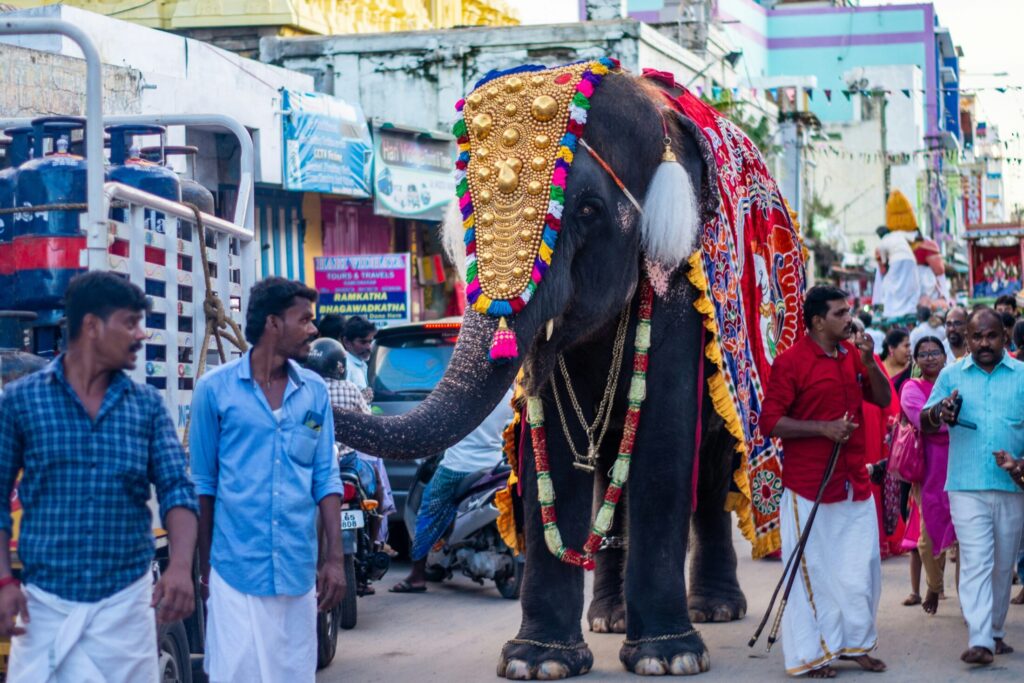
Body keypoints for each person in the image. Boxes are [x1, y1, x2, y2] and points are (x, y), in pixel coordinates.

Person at [0, 272, 199, 680]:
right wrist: (4, 580)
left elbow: (177, 489)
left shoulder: (146, 407)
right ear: (91, 326)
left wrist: (180, 566)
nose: (140, 335)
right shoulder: (22, 401)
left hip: (126, 611)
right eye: (129, 323)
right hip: (44, 612)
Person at [190, 277, 346, 682]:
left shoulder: (314, 392)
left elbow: (326, 479)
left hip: (296, 570)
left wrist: (333, 560)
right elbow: (203, 485)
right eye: (305, 319)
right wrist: (205, 569)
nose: (314, 329)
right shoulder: (214, 391)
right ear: (274, 323)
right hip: (234, 571)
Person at [761, 285, 892, 678]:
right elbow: (770, 422)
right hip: (810, 487)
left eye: (848, 311)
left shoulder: (854, 354)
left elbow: (883, 399)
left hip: (854, 481)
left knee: (861, 569)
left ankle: (857, 644)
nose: (849, 318)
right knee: (813, 574)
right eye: (840, 313)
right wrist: (823, 428)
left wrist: (870, 363)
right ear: (818, 321)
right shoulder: (791, 362)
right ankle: (813, 654)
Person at [922, 307, 1024, 666]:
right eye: (977, 336)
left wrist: (1021, 465)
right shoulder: (951, 376)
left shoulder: (1022, 377)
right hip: (965, 485)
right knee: (978, 560)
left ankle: (994, 632)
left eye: (991, 336)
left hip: (1012, 487)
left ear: (1004, 338)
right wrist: (940, 413)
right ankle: (979, 639)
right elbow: (926, 418)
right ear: (967, 338)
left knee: (1003, 564)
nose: (984, 343)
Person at [391, 386, 515, 594]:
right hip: (493, 465)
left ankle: (417, 576)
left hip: (456, 467)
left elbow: (435, 424)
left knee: (427, 513)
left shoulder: (461, 391)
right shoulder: (508, 395)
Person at [305, 337, 389, 594]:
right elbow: (367, 421)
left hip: (320, 464)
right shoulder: (351, 389)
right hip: (349, 464)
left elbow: (309, 430)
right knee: (376, 490)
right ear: (340, 366)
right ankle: (376, 541)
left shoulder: (309, 392)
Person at [900, 336, 956, 615]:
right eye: (924, 353)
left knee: (958, 535)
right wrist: (949, 423)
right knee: (927, 537)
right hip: (929, 467)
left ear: (945, 356)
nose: (930, 357)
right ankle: (934, 584)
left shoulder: (955, 382)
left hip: (959, 464)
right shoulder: (911, 387)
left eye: (936, 352)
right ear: (916, 359)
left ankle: (968, 605)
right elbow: (922, 421)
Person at [873, 191, 921, 320]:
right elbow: (915, 236)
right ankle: (909, 308)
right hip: (910, 259)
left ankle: (892, 311)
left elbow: (883, 263)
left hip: (896, 260)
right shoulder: (898, 234)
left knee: (889, 285)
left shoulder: (882, 243)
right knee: (911, 284)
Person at [340, 315, 377, 403]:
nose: (369, 347)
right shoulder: (346, 367)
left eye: (370, 342)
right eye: (363, 342)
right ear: (347, 342)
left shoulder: (361, 363)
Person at [881, 328, 912, 393]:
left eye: (909, 346)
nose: (910, 350)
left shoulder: (913, 370)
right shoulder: (877, 368)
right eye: (906, 346)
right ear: (891, 348)